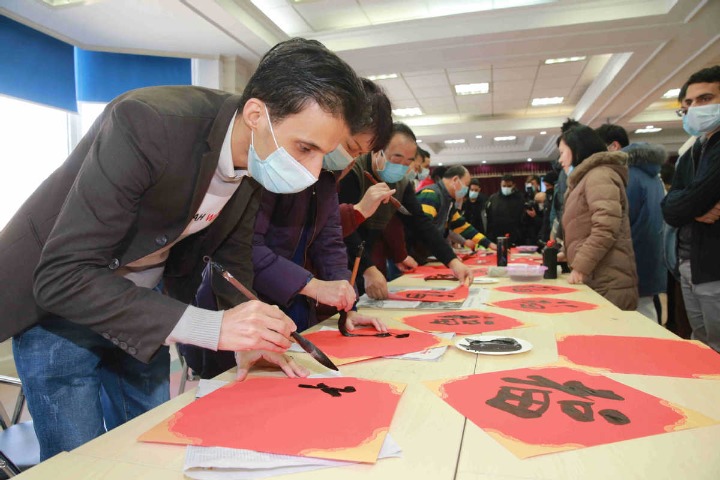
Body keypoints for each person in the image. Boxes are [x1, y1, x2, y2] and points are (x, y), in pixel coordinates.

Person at [0, 38, 368, 460]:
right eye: (305, 148)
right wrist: (212, 328)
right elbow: (62, 275)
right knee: (81, 461)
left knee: (153, 445)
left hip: (143, 304)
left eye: (324, 154)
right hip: (61, 308)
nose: (313, 170)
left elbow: (233, 261)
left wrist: (246, 336)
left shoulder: (257, 161)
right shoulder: (148, 122)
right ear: (256, 115)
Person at [180, 77, 394, 380]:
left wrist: (346, 303)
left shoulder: (327, 179)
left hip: (292, 305)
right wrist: (314, 286)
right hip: (242, 301)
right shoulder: (271, 166)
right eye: (348, 146)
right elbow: (243, 249)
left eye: (358, 154)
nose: (345, 159)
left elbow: (329, 242)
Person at [339, 123, 473, 299]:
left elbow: (421, 223)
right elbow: (343, 228)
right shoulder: (352, 171)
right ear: (377, 150)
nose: (402, 167)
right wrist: (368, 269)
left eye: (408, 162)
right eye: (396, 158)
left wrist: (452, 261)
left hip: (368, 253)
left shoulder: (402, 183)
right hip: (341, 256)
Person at [662, 65, 720, 352]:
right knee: (702, 347)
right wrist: (692, 206)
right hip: (689, 263)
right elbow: (670, 208)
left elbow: (696, 196)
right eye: (688, 104)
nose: (695, 108)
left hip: (714, 266)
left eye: (705, 99)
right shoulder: (692, 150)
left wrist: (689, 203)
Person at [560, 124, 638, 310]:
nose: (560, 159)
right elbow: (584, 226)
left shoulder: (599, 175)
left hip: (608, 279)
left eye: (562, 152)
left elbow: (605, 227)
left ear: (577, 150)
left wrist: (580, 266)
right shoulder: (586, 178)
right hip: (598, 275)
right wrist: (568, 252)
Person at [623, 142, 668, 322]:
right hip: (654, 252)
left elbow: (624, 220)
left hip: (634, 254)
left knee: (638, 317)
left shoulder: (630, 177)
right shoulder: (654, 177)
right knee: (648, 310)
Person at [416, 165, 496, 252]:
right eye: (466, 185)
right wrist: (448, 255)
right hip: (418, 252)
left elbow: (462, 226)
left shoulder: (448, 200)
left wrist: (489, 244)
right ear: (455, 180)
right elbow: (424, 229)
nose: (466, 190)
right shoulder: (431, 194)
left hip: (429, 252)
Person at [485, 174, 525, 245]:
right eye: (504, 186)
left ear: (514, 185)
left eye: (509, 186)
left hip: (515, 237)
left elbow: (522, 220)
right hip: (496, 237)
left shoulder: (520, 198)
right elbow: (489, 218)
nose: (506, 188)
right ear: (500, 184)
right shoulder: (493, 198)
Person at [538, 170, 558, 243]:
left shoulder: (558, 198)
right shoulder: (547, 197)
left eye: (548, 186)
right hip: (546, 236)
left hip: (554, 235)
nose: (546, 189)